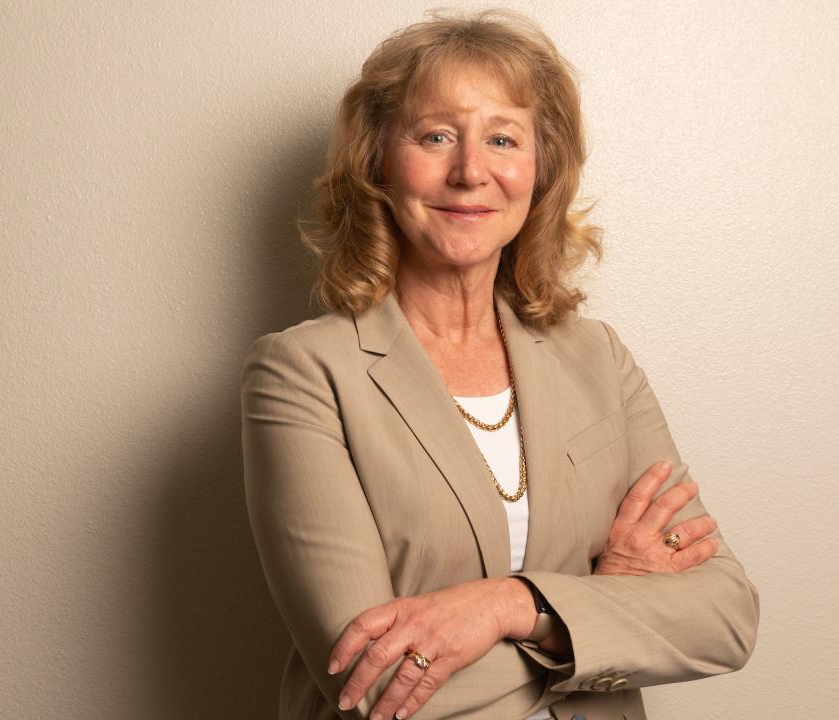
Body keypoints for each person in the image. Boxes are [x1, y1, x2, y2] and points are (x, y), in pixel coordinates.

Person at [240, 10, 759, 720]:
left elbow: (726, 617)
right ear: (377, 162)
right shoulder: (302, 375)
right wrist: (609, 604)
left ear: (539, 169)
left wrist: (511, 605)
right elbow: (375, 685)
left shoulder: (597, 358)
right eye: (436, 136)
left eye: (503, 138)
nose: (470, 171)